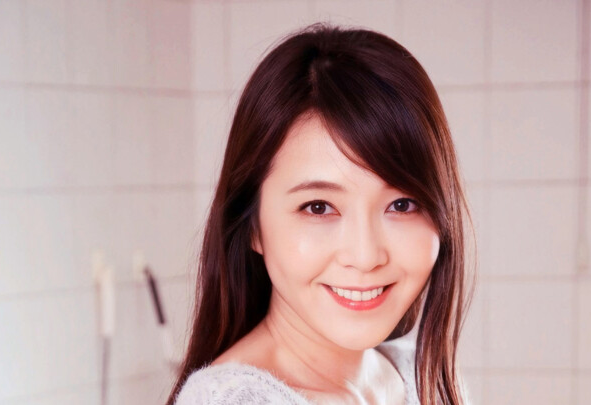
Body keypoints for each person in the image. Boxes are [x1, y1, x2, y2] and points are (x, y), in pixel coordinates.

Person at [167, 23, 475, 405]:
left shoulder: (425, 378)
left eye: (402, 204)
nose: (365, 257)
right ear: (252, 225)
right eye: (318, 207)